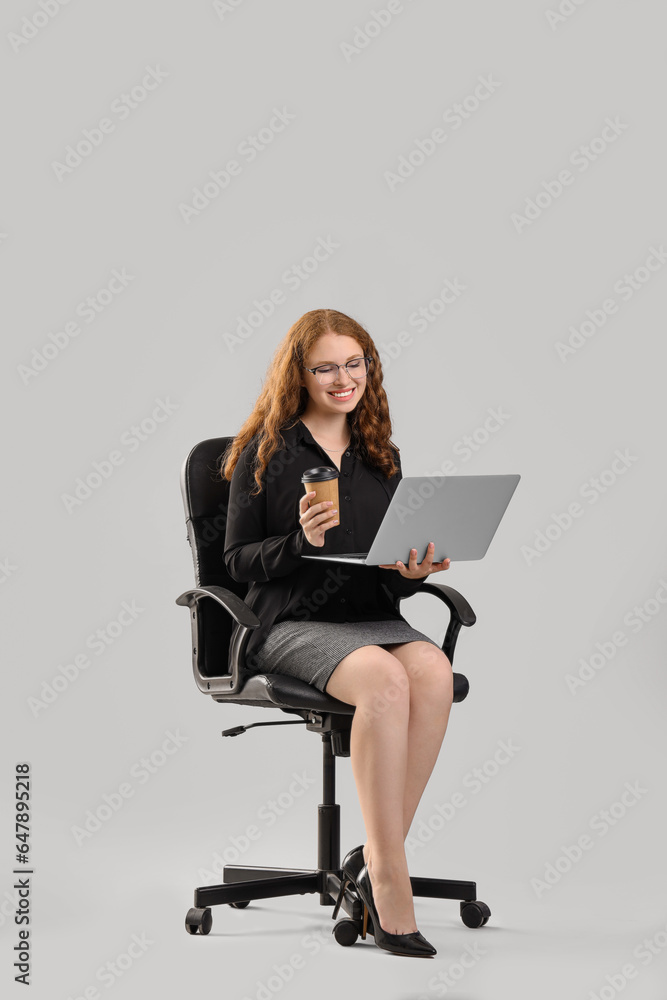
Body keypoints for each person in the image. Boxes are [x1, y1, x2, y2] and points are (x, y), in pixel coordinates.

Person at [222, 308, 453, 957]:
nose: (342, 377)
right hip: (289, 620)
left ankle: (372, 860)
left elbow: (386, 570)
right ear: (299, 374)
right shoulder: (262, 452)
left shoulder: (380, 454)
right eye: (326, 366)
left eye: (353, 364)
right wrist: (299, 541)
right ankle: (387, 881)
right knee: (384, 679)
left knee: (430, 669)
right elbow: (236, 561)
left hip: (366, 617)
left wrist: (412, 571)